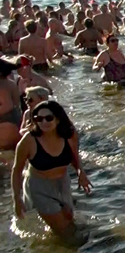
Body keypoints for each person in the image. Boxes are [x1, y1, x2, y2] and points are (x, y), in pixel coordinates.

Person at [12, 101, 91, 240]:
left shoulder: (69, 134)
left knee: (69, 221)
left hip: (63, 183)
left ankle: (51, 246)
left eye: (48, 118)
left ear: (58, 119)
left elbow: (74, 157)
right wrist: (17, 199)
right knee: (64, 230)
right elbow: (17, 170)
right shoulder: (29, 140)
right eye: (39, 118)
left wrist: (81, 173)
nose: (44, 122)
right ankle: (75, 251)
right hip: (38, 187)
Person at [0, 57, 23, 149]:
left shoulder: (1, 84)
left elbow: (5, 106)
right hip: (15, 117)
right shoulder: (12, 83)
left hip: (5, 119)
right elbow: (16, 103)